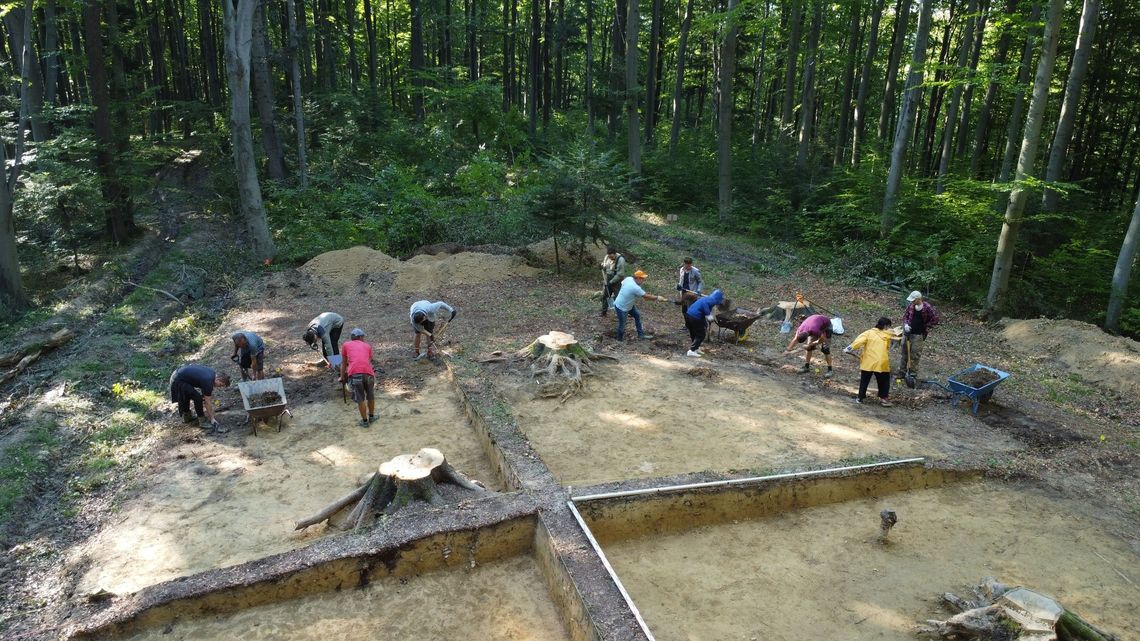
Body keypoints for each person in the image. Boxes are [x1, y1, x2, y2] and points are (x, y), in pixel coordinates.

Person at [844, 317, 900, 406]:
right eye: (889, 326)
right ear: (885, 326)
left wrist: (849, 348)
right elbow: (891, 343)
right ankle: (884, 399)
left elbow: (858, 342)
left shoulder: (869, 333)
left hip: (868, 361)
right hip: (881, 361)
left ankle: (860, 398)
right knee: (884, 380)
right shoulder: (888, 335)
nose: (889, 328)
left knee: (864, 380)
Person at [169, 365, 231, 432]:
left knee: (190, 394)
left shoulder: (212, 374)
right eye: (220, 385)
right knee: (197, 398)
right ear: (218, 379)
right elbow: (207, 402)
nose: (219, 387)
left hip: (178, 374)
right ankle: (202, 421)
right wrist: (212, 418)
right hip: (177, 379)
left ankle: (187, 417)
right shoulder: (208, 380)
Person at [613, 270, 668, 341]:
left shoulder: (628, 278)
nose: (643, 280)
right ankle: (619, 340)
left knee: (637, 316)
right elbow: (646, 297)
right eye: (642, 279)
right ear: (638, 278)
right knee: (622, 325)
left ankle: (640, 335)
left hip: (629, 305)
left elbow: (622, 283)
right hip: (621, 307)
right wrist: (657, 298)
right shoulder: (635, 288)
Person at [340, 328, 379, 427]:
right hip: (368, 373)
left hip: (355, 374)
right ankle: (371, 416)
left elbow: (344, 363)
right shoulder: (367, 346)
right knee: (370, 395)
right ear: (361, 337)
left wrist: (342, 377)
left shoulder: (346, 345)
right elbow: (367, 360)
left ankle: (365, 422)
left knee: (360, 397)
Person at [899, 291, 940, 379]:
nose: (912, 302)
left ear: (919, 299)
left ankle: (912, 375)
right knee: (904, 353)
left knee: (915, 355)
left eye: (913, 300)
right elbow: (905, 316)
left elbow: (935, 319)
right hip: (907, 333)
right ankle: (902, 373)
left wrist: (927, 326)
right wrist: (906, 325)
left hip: (918, 335)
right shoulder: (911, 306)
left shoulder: (927, 307)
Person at [683, 289, 725, 357]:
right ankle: (691, 350)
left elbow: (702, 311)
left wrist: (705, 322)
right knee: (701, 335)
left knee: (694, 333)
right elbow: (704, 306)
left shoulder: (707, 298)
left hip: (689, 315)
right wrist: (708, 315)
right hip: (694, 316)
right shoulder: (711, 301)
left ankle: (696, 348)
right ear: (718, 299)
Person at [600, 246, 627, 317]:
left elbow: (620, 274)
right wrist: (602, 266)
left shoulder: (620, 260)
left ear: (615, 254)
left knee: (618, 298)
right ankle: (603, 312)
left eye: (611, 257)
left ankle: (621, 314)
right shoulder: (607, 257)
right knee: (605, 296)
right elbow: (605, 265)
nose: (610, 258)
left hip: (617, 280)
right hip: (607, 279)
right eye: (609, 256)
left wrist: (611, 282)